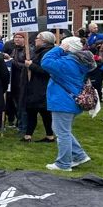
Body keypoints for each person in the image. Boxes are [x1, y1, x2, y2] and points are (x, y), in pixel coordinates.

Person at [41, 36, 95, 171]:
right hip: (71, 100)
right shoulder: (77, 62)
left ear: (67, 47)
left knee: (62, 133)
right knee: (61, 130)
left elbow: (45, 62)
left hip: (63, 101)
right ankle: (79, 155)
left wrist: (58, 49)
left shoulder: (68, 62)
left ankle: (63, 164)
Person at [21, 31, 56, 143]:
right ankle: (29, 135)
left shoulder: (47, 53)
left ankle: (49, 135)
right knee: (32, 110)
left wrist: (31, 65)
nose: (35, 40)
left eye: (37, 38)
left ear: (44, 41)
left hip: (41, 86)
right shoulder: (39, 51)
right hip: (35, 85)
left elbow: (46, 70)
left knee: (43, 111)